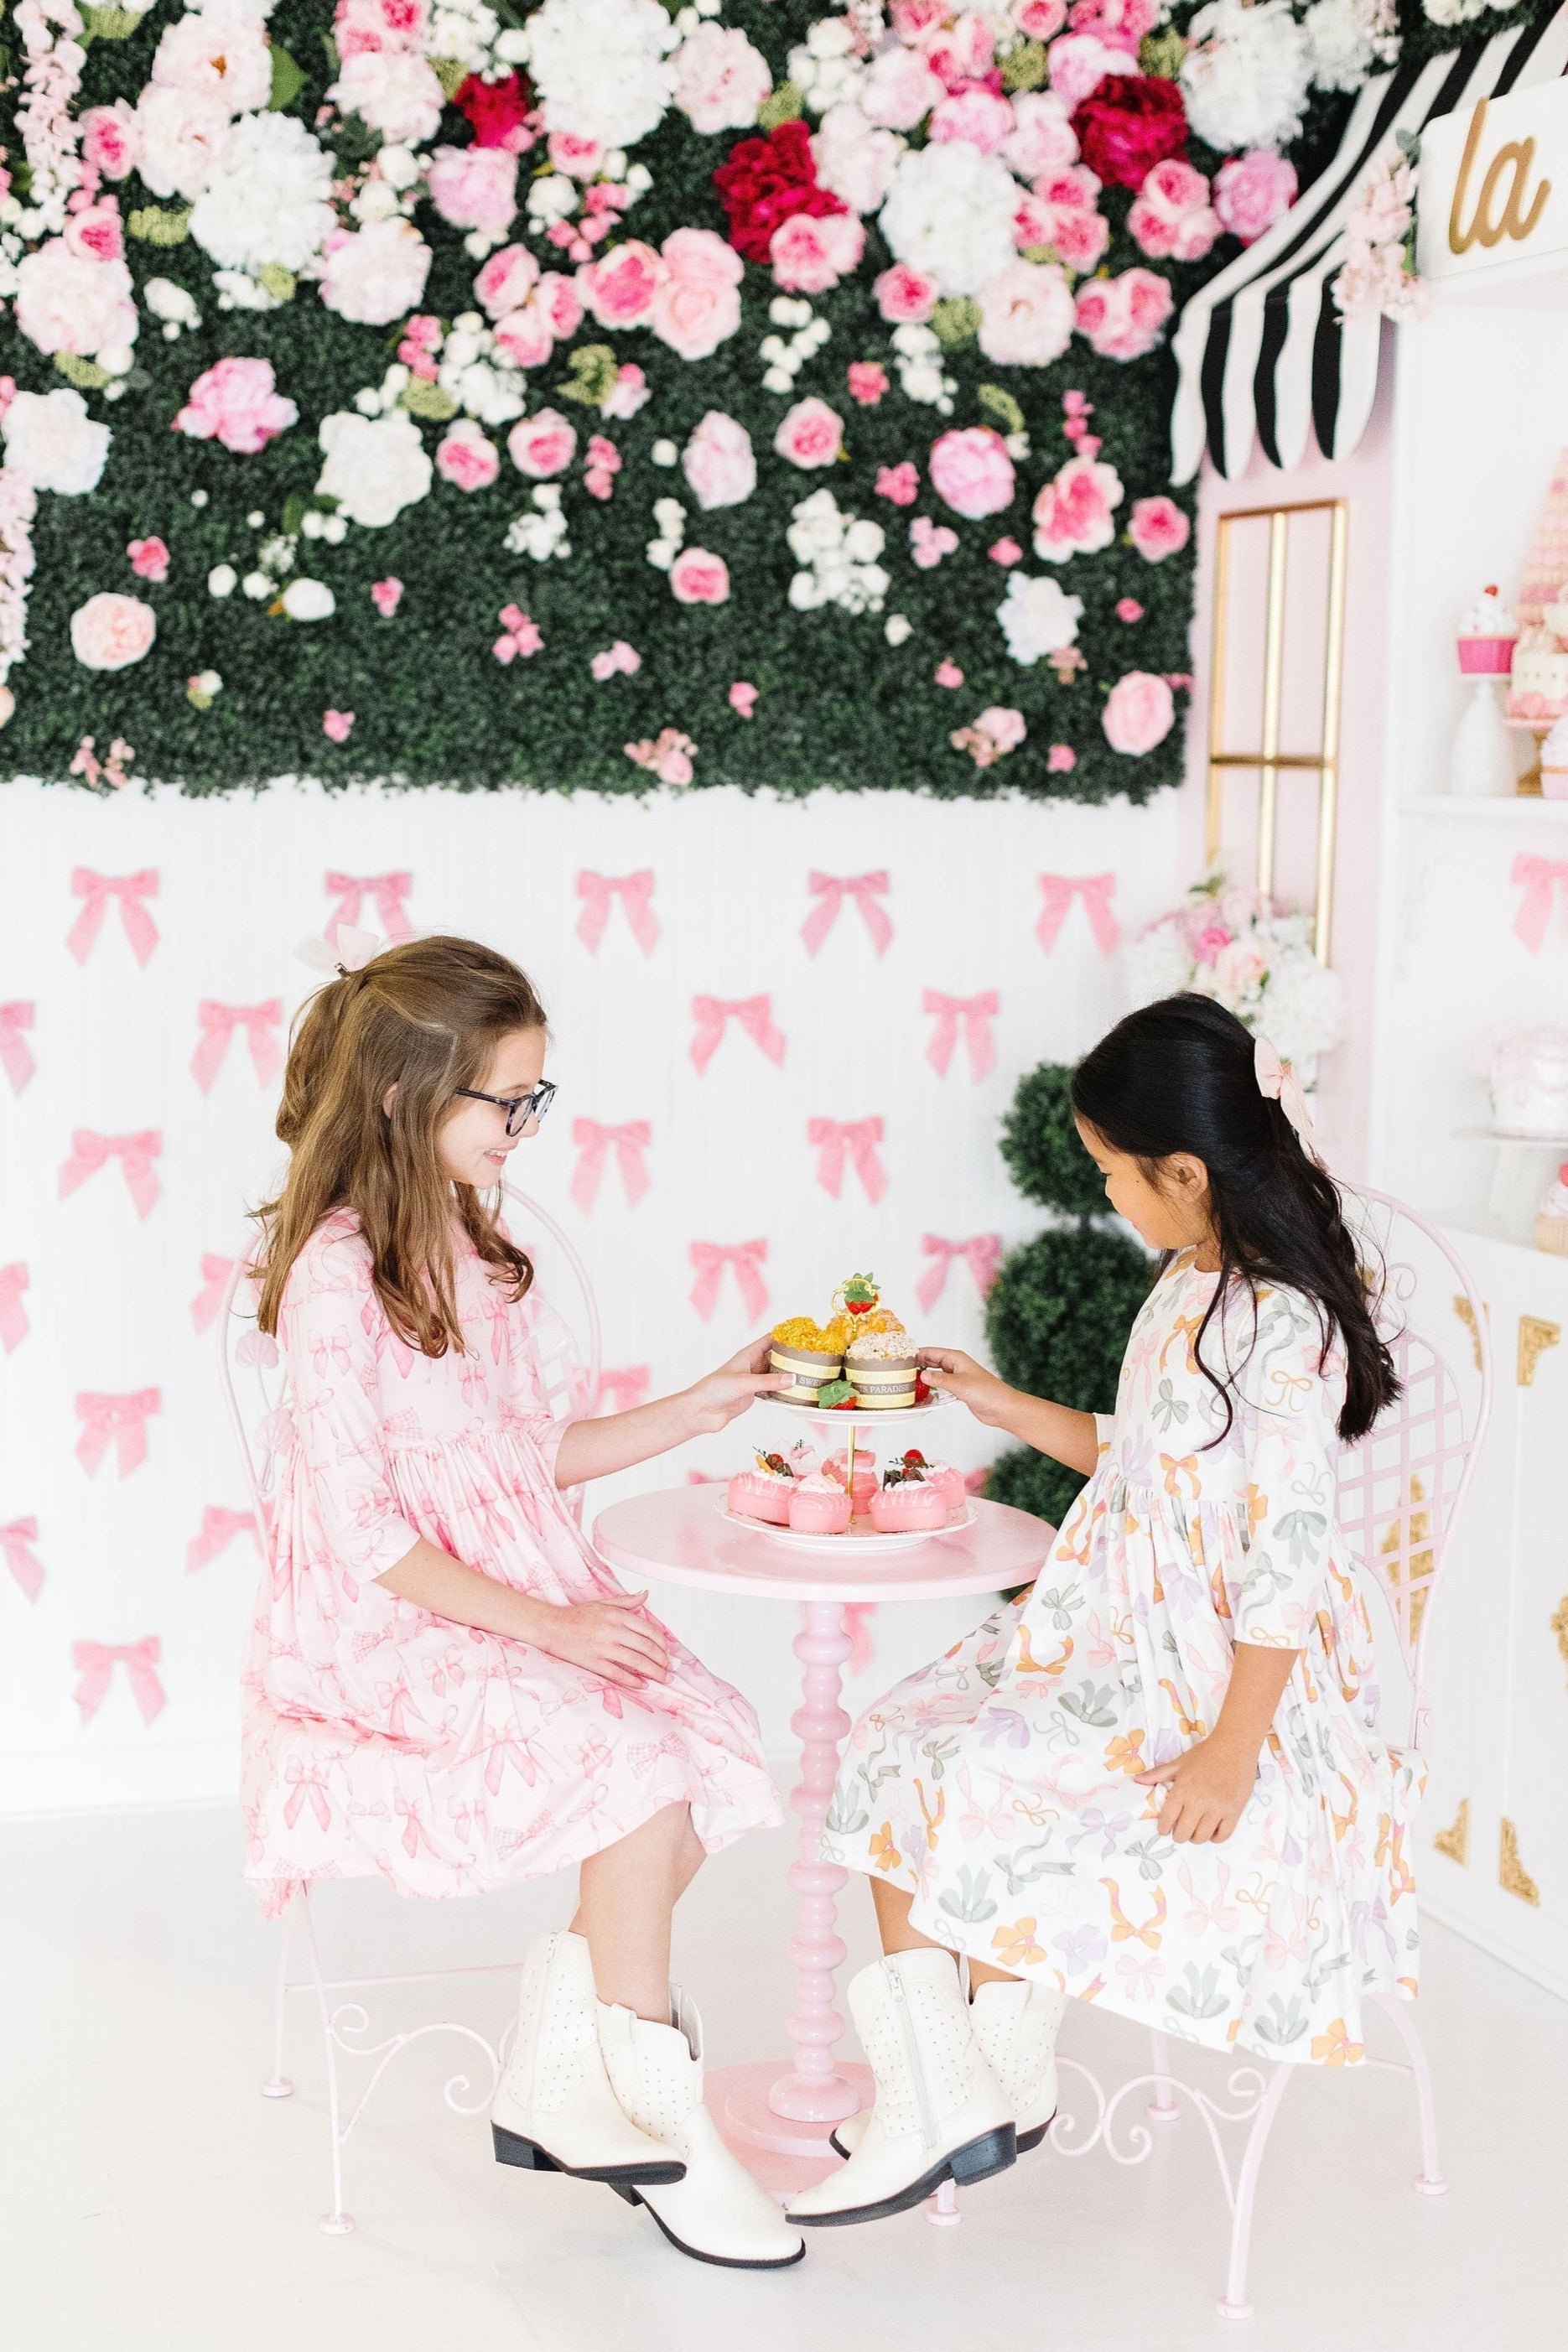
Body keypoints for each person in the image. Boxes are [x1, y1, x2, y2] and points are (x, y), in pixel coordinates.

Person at [792, 994, 1405, 2230]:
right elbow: (1144, 1461)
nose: (1106, 1195)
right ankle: (959, 2083)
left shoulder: (1280, 1324)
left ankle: (955, 2088)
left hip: (1218, 1676)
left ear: (1185, 1170)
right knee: (895, 1739)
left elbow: (1286, 1553)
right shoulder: (1186, 1278)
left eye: (1112, 1173)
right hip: (1115, 1632)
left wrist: (1232, 1748)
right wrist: (999, 1401)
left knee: (982, 1771)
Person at [241, 932, 802, 2269]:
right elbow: (367, 1534)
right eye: (507, 1099)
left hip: (498, 1589)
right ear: (404, 1093)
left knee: (704, 1725)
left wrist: (704, 1403)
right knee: (634, 1762)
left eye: (533, 1096)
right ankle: (658, 2109)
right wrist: (549, 1626)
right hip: (377, 1629)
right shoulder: (335, 1277)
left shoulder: (469, 1242)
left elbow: (519, 1455)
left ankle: (562, 2063)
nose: (526, 1126)